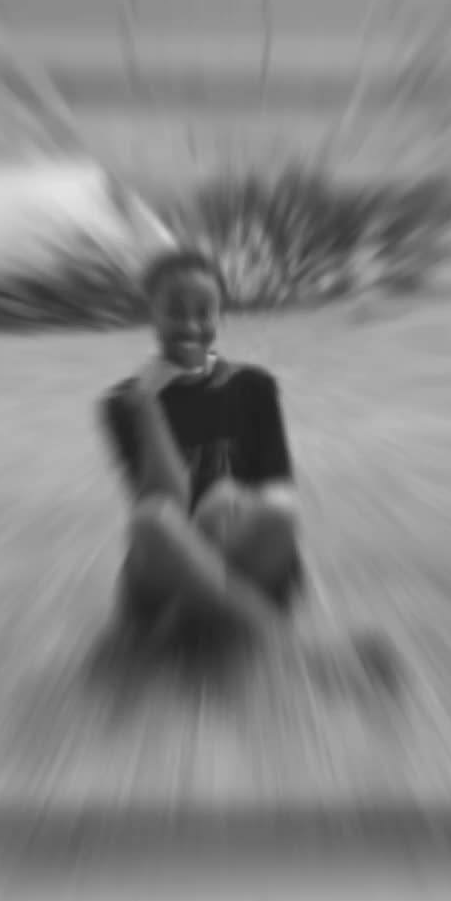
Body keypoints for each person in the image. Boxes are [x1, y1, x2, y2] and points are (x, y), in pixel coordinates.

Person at [98, 246, 306, 646]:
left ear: (219, 313)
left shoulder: (253, 387)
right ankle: (271, 634)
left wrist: (232, 501)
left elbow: (279, 489)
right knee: (151, 518)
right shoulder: (123, 403)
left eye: (205, 311)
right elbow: (165, 503)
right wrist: (148, 406)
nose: (191, 326)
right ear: (151, 313)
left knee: (279, 512)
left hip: (240, 554)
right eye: (175, 311)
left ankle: (206, 618)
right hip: (168, 565)